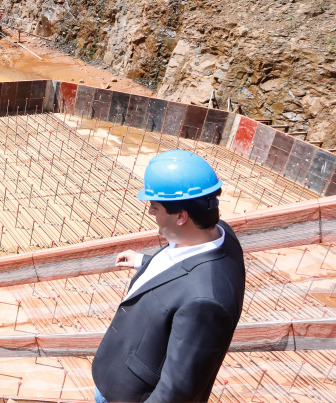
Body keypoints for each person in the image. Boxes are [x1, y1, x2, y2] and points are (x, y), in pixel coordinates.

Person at [92, 150, 245, 403]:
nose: (151, 213)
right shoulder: (216, 234)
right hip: (119, 373)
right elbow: (181, 269)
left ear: (181, 216)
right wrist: (143, 262)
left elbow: (176, 393)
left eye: (155, 206)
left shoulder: (205, 303)